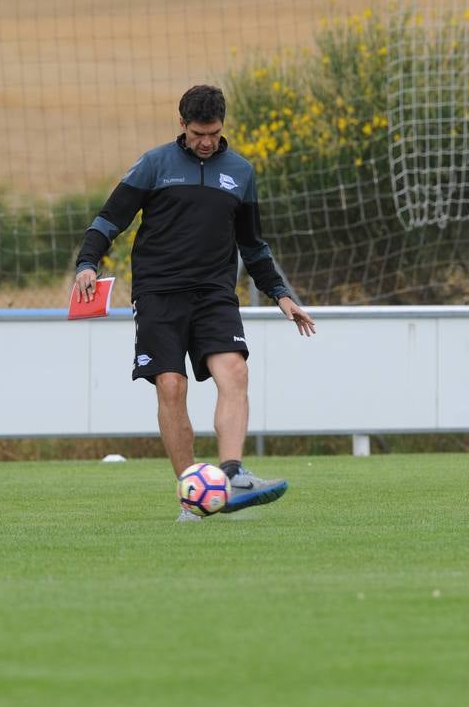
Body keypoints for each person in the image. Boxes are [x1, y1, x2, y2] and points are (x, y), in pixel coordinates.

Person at [74, 84, 317, 521]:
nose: (206, 142)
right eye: (197, 133)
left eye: (214, 133)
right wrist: (87, 263)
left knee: (236, 371)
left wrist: (280, 294)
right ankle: (194, 494)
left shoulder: (240, 172)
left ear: (222, 127)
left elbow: (253, 245)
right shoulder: (154, 164)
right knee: (171, 385)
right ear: (182, 125)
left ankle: (233, 473)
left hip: (214, 294)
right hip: (158, 292)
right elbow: (110, 219)